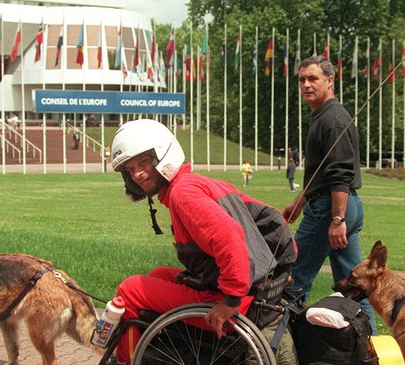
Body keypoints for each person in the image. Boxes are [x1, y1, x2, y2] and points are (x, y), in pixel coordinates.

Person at [110, 119, 297, 364]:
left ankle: (125, 360)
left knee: (129, 290)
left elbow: (229, 236)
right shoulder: (200, 183)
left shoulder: (183, 193)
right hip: (255, 293)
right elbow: (271, 217)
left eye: (143, 162)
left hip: (234, 302)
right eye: (130, 169)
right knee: (159, 274)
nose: (137, 174)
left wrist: (231, 300)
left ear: (162, 155)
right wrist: (282, 271)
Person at [281, 55, 375, 331]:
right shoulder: (323, 115)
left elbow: (340, 174)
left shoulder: (332, 119)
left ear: (330, 81)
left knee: (293, 278)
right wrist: (299, 203)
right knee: (355, 285)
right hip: (336, 207)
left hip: (330, 212)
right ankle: (372, 347)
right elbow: (319, 173)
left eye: (313, 79)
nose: (306, 85)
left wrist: (336, 220)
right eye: (302, 80)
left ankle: (283, 345)